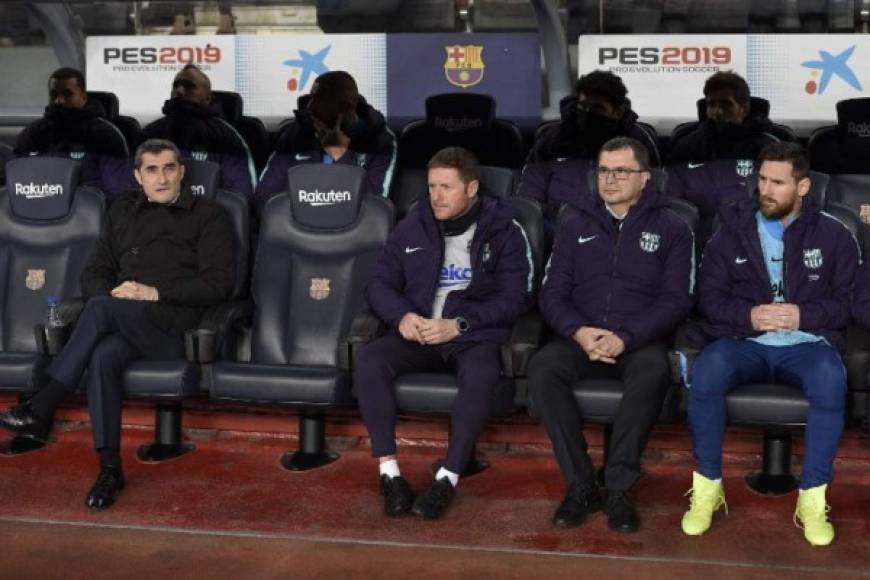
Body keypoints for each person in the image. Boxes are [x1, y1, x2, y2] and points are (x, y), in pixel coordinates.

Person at [0, 139, 236, 510]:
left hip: (176, 329)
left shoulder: (209, 215)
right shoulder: (122, 211)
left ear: (182, 172)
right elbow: (94, 270)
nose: (162, 178)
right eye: (152, 170)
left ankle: (43, 405)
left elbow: (219, 284)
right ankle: (110, 469)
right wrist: (117, 291)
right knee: (103, 355)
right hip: (125, 320)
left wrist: (153, 292)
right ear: (138, 176)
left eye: (170, 168)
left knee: (98, 311)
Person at [681, 142, 859, 547]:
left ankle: (813, 498)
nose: (766, 189)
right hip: (745, 339)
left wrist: (802, 316)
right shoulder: (731, 233)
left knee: (831, 377)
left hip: (806, 343)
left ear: (803, 187)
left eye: (777, 182)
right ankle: (707, 487)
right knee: (707, 368)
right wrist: (749, 316)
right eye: (761, 179)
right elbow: (708, 298)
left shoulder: (835, 234)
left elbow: (849, 302)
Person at [355, 146, 534, 520]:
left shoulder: (504, 228)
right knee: (371, 358)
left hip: (470, 335)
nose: (436, 195)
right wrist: (402, 315)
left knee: (482, 372)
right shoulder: (413, 224)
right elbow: (379, 284)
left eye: (446, 187)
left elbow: (517, 298)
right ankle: (389, 473)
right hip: (421, 332)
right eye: (432, 186)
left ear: (471, 189)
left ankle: (448, 477)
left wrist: (460, 324)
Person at [528, 136, 694, 533]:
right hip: (580, 336)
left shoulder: (674, 226)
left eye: (621, 171)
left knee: (653, 372)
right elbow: (551, 292)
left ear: (645, 178)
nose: (610, 179)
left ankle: (619, 486)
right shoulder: (573, 222)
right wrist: (578, 331)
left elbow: (678, 300)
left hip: (638, 341)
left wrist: (626, 336)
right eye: (604, 170)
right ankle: (581, 483)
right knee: (542, 368)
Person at [517, 70, 660, 223]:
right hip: (554, 231)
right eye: (583, 106)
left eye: (598, 108)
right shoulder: (553, 139)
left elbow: (652, 194)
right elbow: (530, 192)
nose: (587, 113)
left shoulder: (638, 142)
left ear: (617, 112)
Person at [254, 71, 396, 215]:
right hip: (295, 231)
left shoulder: (379, 141)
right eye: (311, 97)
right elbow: (263, 200)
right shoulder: (295, 135)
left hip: (352, 234)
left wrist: (340, 156)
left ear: (345, 107)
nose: (310, 105)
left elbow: (374, 208)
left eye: (319, 99)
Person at [666, 71, 784, 239]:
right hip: (694, 232)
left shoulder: (769, 148)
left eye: (726, 105)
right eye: (711, 104)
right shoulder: (687, 146)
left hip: (753, 232)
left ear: (744, 108)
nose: (718, 112)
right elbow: (671, 199)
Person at [14, 67, 132, 202]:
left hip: (87, 214)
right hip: (36, 209)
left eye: (67, 94)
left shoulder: (105, 135)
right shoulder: (32, 133)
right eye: (54, 95)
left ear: (83, 97)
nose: (59, 100)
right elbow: (17, 182)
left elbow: (116, 192)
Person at [140, 64, 256, 196]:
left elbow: (239, 194)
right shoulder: (151, 133)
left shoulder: (227, 136)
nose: (180, 90)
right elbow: (131, 188)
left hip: (208, 213)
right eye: (176, 85)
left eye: (189, 86)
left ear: (207, 98)